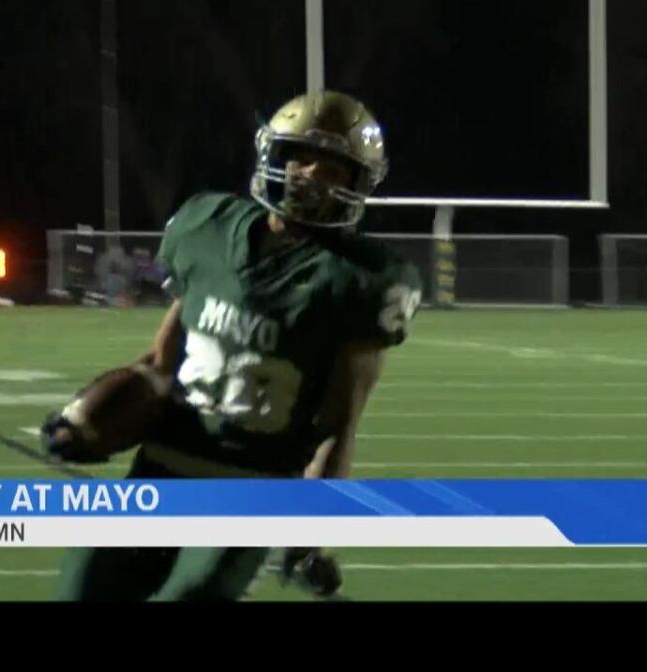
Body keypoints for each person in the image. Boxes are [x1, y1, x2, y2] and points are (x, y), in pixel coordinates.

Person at [40, 90, 423, 601]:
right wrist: (86, 417)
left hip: (252, 491)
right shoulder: (208, 227)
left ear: (358, 184)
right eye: (303, 157)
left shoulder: (361, 281)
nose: (312, 174)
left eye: (334, 168)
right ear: (275, 157)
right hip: (162, 469)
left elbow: (337, 423)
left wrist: (314, 534)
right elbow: (160, 364)